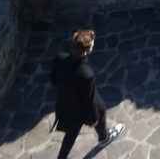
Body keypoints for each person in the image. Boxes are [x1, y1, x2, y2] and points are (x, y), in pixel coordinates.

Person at [50, 29, 124, 158]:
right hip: (82, 107)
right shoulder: (87, 75)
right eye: (92, 43)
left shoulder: (59, 58)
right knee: (100, 111)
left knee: (71, 133)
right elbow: (88, 101)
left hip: (67, 102)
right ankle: (104, 138)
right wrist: (92, 119)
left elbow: (53, 79)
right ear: (86, 51)